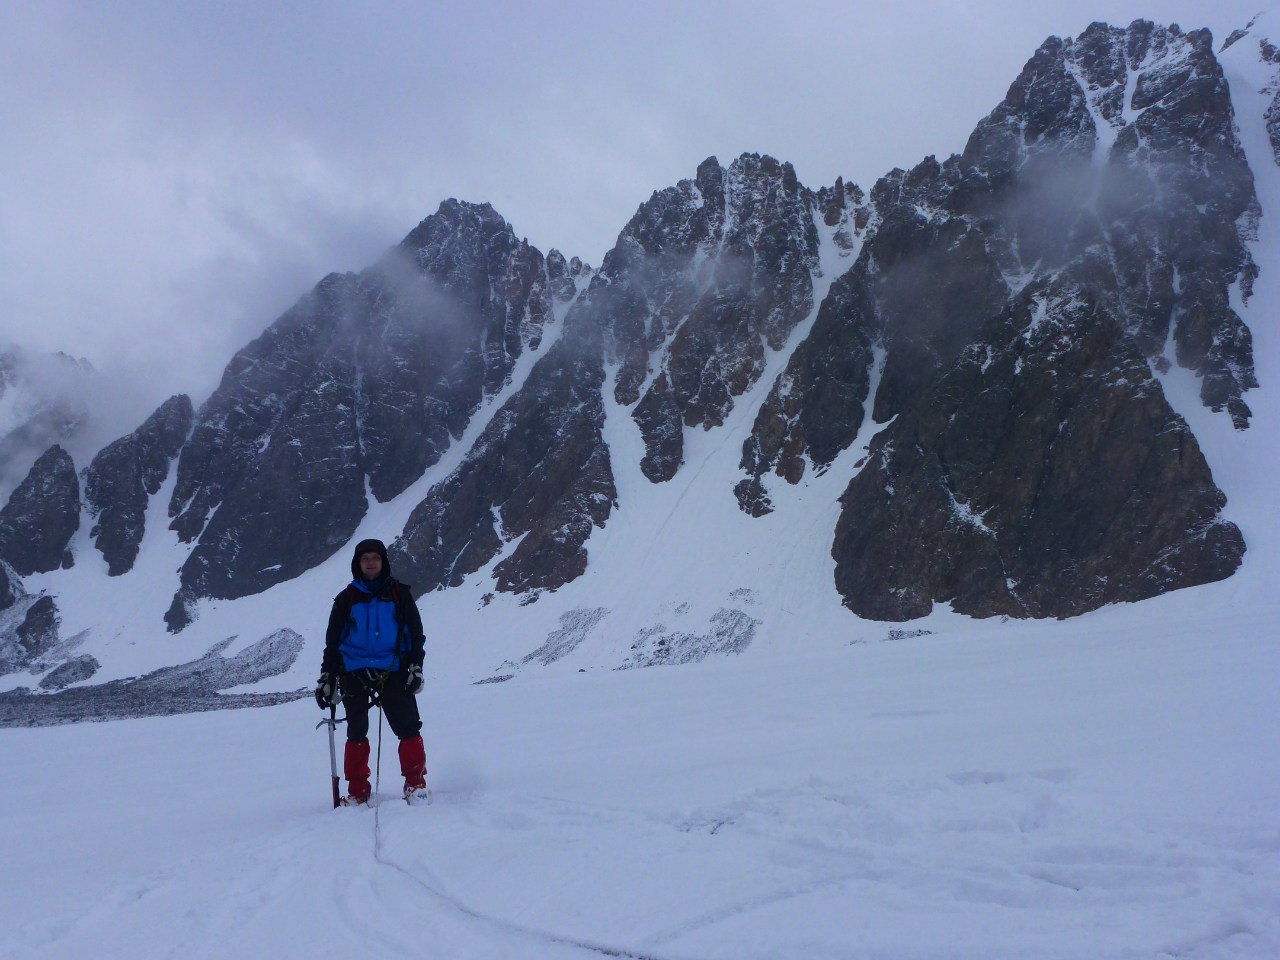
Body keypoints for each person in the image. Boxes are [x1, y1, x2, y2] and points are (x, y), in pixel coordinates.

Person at [315, 538, 428, 804]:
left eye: (375, 558)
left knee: (408, 726)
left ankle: (416, 783)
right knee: (356, 731)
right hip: (354, 671)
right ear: (358, 563)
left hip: (394, 669)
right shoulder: (346, 599)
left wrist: (416, 666)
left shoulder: (400, 594)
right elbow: (333, 643)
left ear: (383, 561)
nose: (370, 562)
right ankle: (357, 791)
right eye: (365, 558)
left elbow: (415, 634)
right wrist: (327, 676)